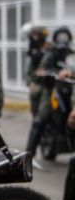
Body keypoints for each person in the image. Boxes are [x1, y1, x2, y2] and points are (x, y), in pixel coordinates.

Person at [25, 26, 73, 158]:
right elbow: (40, 69)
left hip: (69, 88)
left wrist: (70, 73)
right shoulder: (50, 53)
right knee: (41, 117)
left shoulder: (71, 54)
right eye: (60, 37)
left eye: (65, 37)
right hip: (52, 88)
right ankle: (29, 154)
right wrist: (44, 73)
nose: (63, 40)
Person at [22, 23, 50, 117]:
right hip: (36, 89)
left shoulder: (50, 50)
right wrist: (30, 83)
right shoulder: (33, 52)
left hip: (47, 89)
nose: (32, 39)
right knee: (36, 115)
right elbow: (29, 70)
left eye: (34, 36)